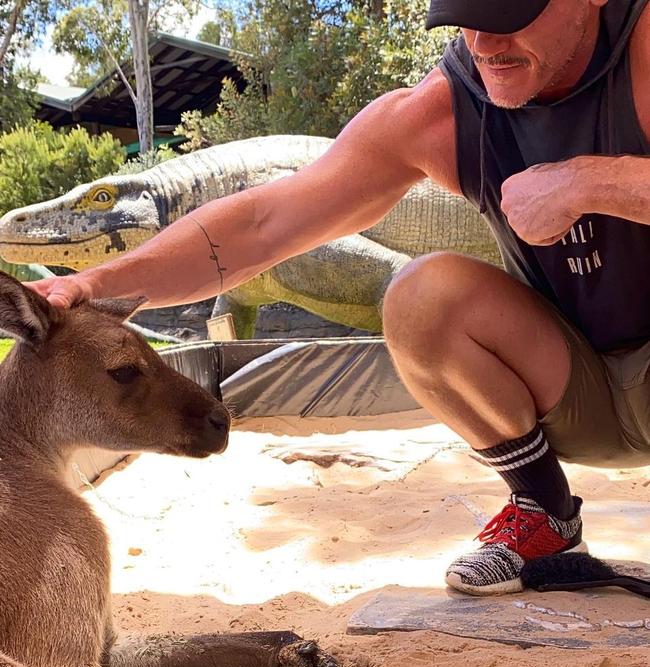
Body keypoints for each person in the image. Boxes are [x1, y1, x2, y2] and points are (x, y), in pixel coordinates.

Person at [31, 0, 650, 596]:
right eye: (467, 18)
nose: (485, 44)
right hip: (581, 389)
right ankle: (543, 514)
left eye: (510, 15)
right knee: (422, 296)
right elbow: (264, 224)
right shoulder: (448, 107)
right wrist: (91, 286)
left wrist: (592, 181)